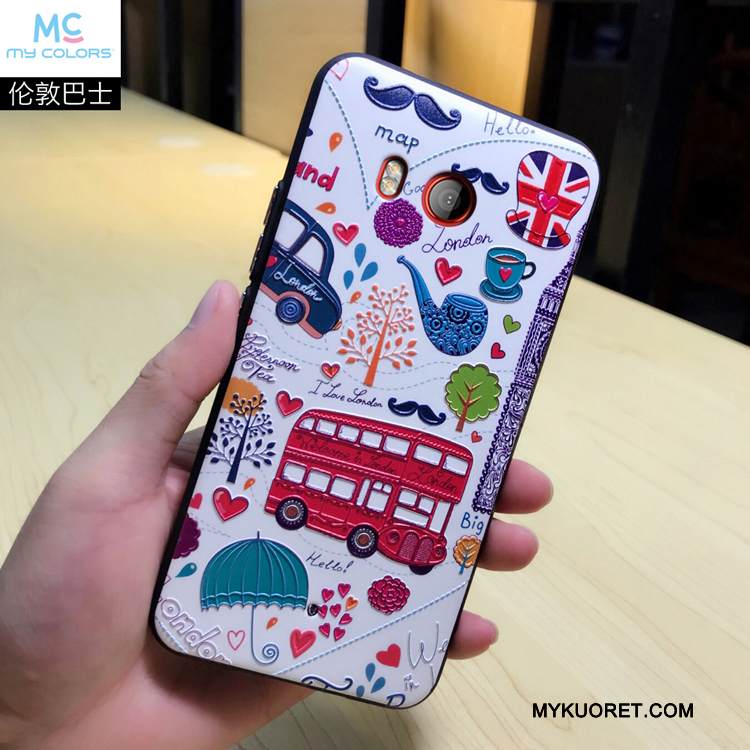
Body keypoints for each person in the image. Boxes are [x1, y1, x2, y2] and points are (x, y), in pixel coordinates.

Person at [0, 282, 553, 749]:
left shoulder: (402, 508)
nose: (410, 512)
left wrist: (25, 726)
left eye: (417, 509)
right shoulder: (320, 474)